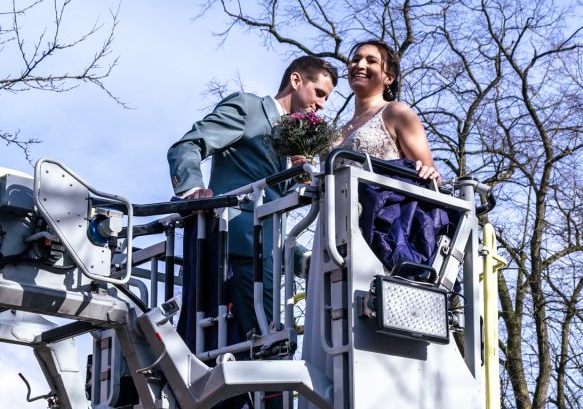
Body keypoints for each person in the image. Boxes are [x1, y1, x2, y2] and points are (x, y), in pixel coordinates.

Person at [167, 56, 338, 341]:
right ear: (296, 80)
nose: (321, 104)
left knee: (265, 345)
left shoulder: (295, 143)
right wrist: (192, 191)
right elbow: (186, 146)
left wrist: (303, 259)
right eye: (319, 93)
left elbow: (273, 215)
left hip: (267, 258)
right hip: (232, 244)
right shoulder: (248, 108)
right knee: (261, 343)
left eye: (326, 99)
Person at [335, 40, 441, 183]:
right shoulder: (338, 131)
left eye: (371, 61)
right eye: (356, 59)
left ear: (389, 78)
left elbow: (432, 178)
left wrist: (430, 173)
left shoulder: (396, 112)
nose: (360, 65)